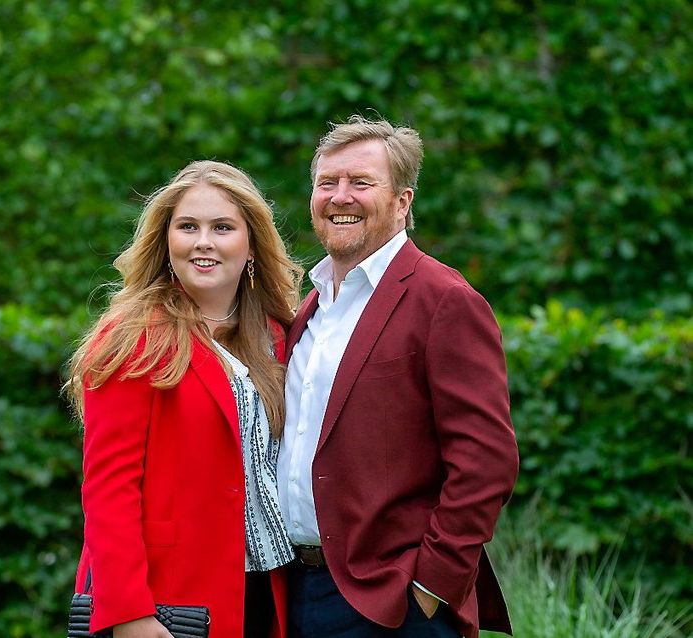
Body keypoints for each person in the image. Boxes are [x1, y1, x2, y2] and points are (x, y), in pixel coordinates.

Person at [278, 114, 519, 638]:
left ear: (402, 201)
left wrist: (430, 588)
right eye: (327, 183)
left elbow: (486, 462)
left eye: (361, 183)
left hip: (392, 605)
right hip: (295, 590)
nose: (340, 196)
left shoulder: (445, 300)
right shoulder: (310, 306)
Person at [66, 160, 303, 638]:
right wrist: (130, 613)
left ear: (252, 244)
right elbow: (109, 490)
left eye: (222, 227)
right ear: (166, 240)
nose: (203, 242)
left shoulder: (279, 335)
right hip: (171, 599)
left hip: (268, 590)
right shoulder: (133, 338)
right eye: (188, 227)